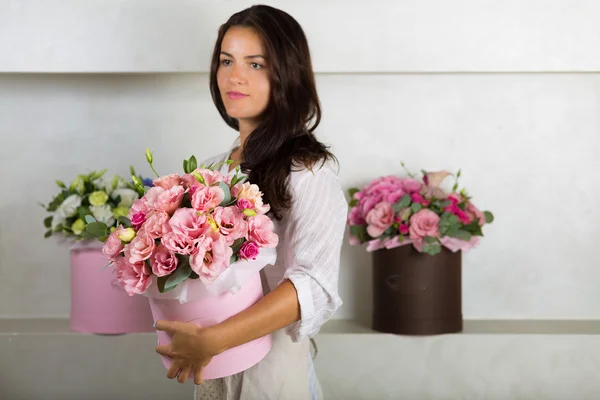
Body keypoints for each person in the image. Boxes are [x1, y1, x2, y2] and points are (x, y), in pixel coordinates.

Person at [154, 5, 348, 399]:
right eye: (226, 60)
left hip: (272, 369)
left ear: (287, 73)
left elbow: (313, 284)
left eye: (255, 64)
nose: (234, 76)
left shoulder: (308, 172)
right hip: (211, 365)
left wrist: (216, 339)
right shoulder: (211, 171)